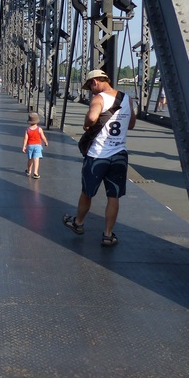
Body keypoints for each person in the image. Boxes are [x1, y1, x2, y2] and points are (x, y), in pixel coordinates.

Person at [62, 69, 136, 247]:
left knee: (87, 192)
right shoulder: (127, 99)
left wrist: (87, 125)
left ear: (95, 82)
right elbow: (131, 124)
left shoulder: (99, 98)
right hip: (119, 154)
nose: (91, 91)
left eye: (90, 87)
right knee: (113, 196)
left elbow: (92, 116)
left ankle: (78, 223)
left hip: (98, 155)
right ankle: (108, 234)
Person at [22, 113, 48, 178]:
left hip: (30, 146)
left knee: (30, 159)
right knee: (36, 159)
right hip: (38, 146)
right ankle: (35, 172)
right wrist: (46, 142)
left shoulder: (27, 130)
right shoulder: (39, 129)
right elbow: (43, 137)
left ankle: (29, 171)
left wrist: (24, 146)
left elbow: (26, 139)